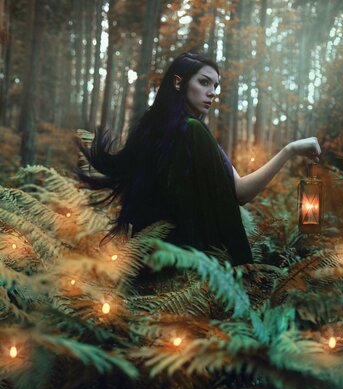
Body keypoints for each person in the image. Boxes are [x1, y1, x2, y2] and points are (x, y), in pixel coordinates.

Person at [78, 52, 321, 266]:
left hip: (149, 261)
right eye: (204, 82)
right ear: (178, 82)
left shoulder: (151, 130)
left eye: (215, 85)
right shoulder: (193, 132)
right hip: (189, 270)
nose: (212, 92)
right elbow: (241, 193)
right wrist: (288, 150)